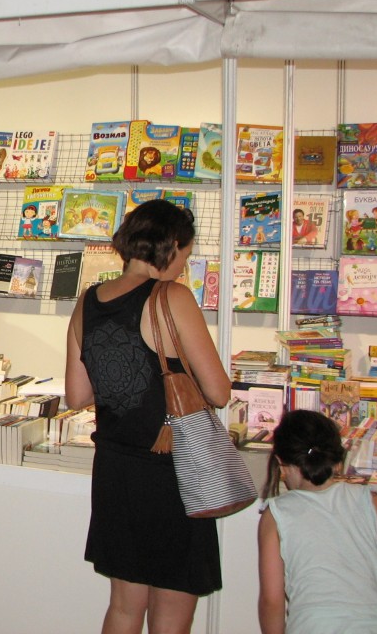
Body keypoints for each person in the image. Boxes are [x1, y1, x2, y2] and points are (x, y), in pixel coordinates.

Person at [64, 199, 231, 634]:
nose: (184, 265)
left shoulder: (87, 301)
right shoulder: (172, 297)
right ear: (171, 245)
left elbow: (77, 395)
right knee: (172, 610)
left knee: (124, 606)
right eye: (186, 254)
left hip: (115, 471)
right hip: (172, 471)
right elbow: (218, 391)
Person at [257, 410, 377, 634]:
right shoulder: (369, 501)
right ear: (337, 460)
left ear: (281, 463)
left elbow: (271, 602)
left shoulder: (277, 514)